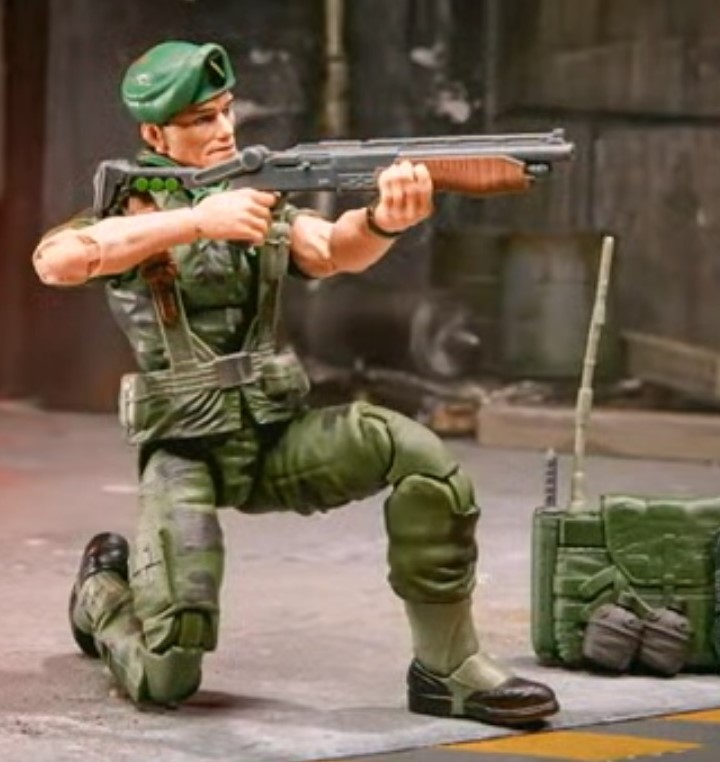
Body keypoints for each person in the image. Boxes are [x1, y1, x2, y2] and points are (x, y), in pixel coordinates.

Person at [32, 40, 558, 725]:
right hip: (186, 451)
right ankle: (101, 593)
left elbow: (334, 249)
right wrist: (195, 220)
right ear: (155, 136)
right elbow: (57, 260)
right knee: (167, 675)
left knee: (424, 463)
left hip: (275, 437)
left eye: (226, 111)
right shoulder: (133, 210)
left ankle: (448, 669)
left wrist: (383, 221)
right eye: (201, 119)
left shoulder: (254, 200)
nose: (224, 129)